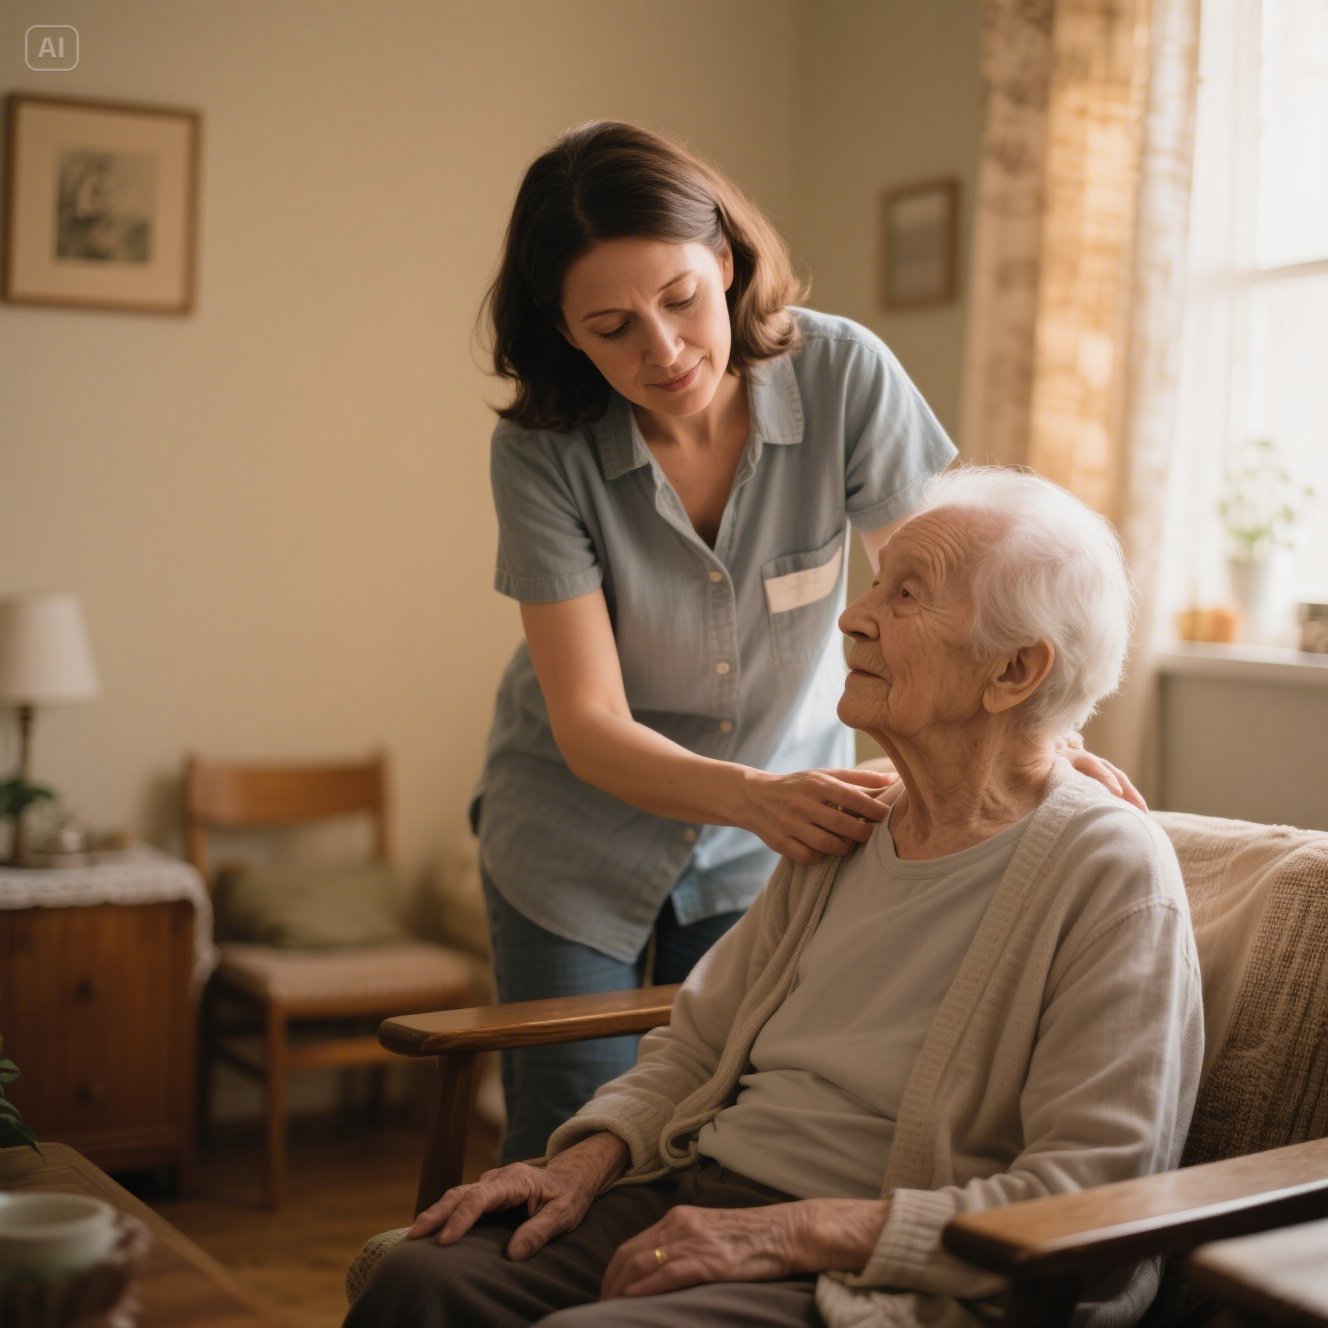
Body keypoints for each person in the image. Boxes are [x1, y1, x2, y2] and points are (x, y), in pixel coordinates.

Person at [352, 467, 1202, 1328]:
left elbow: (1090, 1195)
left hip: (863, 1261)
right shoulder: (848, 823)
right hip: (694, 1194)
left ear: (1015, 670)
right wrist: (584, 1161)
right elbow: (698, 1044)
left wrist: (790, 1234)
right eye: (876, 585)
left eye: (905, 596)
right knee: (419, 1281)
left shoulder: (1109, 874)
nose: (851, 616)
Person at [472, 120, 1141, 1162]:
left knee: (724, 1118)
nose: (662, 350)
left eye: (681, 300)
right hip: (575, 835)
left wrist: (1036, 743)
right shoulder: (540, 452)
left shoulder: (839, 374)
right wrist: (749, 794)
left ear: (725, 264)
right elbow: (590, 725)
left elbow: (954, 597)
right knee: (570, 1136)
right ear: (564, 334)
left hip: (776, 839)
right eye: (610, 327)